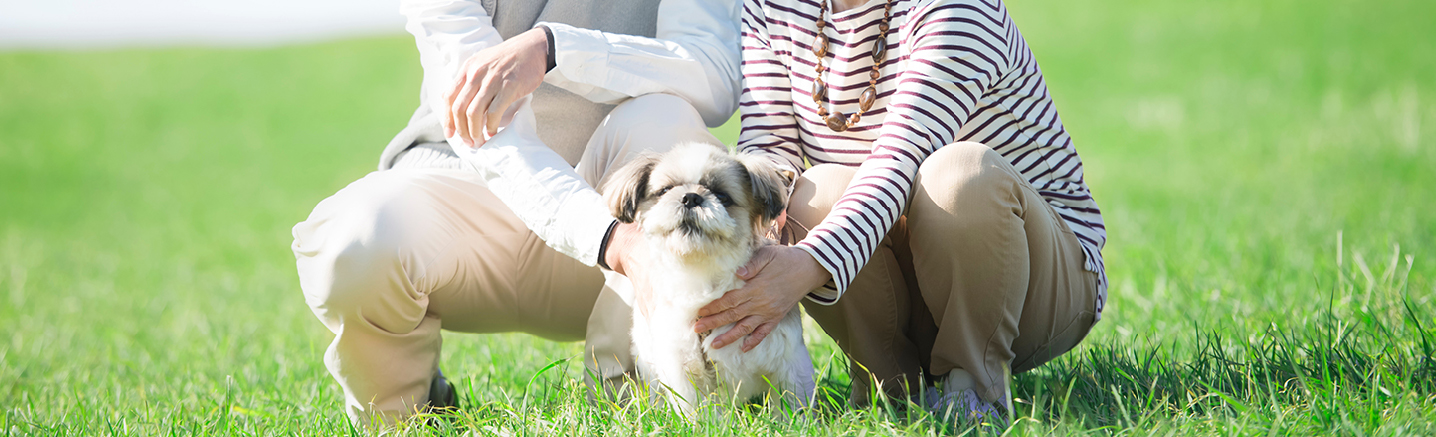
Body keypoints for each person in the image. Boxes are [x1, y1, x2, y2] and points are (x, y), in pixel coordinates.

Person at [290, 0, 741, 426]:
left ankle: (626, 403)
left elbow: (711, 72)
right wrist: (606, 238)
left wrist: (556, 49)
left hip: (619, 233)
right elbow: (488, 130)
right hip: (470, 209)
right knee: (354, 239)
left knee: (665, 119)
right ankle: (404, 416)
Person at [673, 0, 1110, 420]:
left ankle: (974, 391)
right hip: (907, 264)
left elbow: (899, 160)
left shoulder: (958, 7)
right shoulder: (774, 5)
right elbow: (770, 159)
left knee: (959, 176)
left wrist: (808, 263)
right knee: (811, 193)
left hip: (1035, 278)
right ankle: (890, 389)